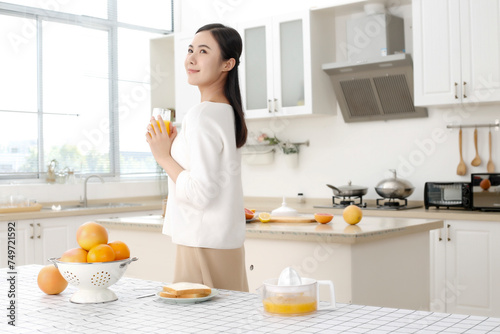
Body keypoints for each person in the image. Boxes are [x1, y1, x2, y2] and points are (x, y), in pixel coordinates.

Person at [146, 23, 249, 292]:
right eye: (190, 49)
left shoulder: (202, 115)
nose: (191, 59)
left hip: (201, 243)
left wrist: (162, 156)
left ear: (227, 64)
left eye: (203, 51)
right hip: (221, 243)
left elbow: (200, 194)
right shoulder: (225, 112)